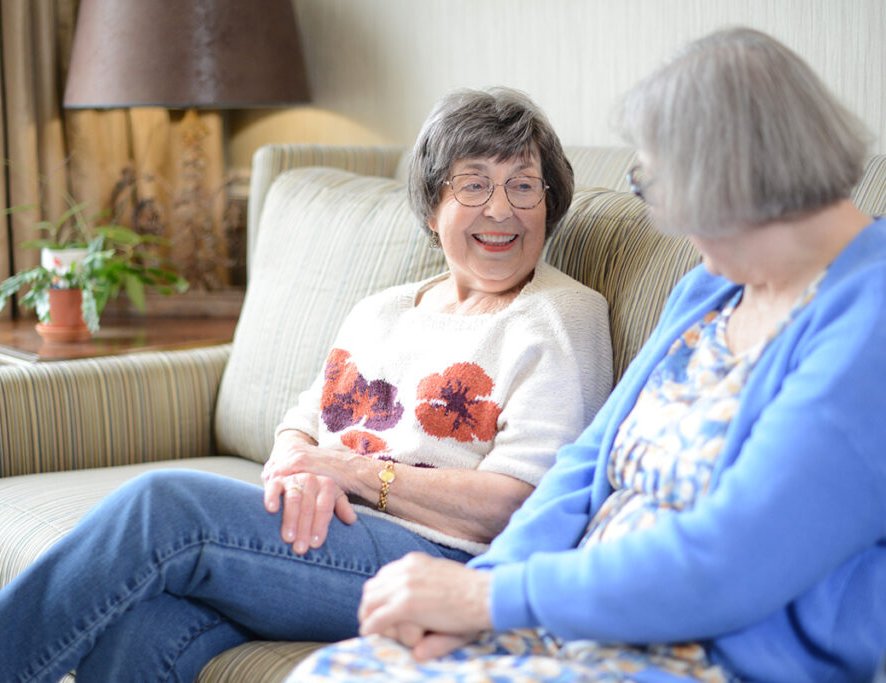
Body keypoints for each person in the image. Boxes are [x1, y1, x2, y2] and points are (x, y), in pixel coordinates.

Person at [0, 87, 613, 682]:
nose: (502, 209)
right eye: (474, 184)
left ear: (548, 204)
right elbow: (300, 422)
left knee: (164, 507)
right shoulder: (383, 308)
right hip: (329, 535)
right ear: (433, 202)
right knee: (141, 625)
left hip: (443, 560)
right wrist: (303, 470)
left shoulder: (559, 316)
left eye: (524, 186)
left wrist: (348, 470)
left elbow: (513, 505)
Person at [288, 27, 886, 683]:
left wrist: (488, 597)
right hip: (579, 625)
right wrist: (471, 599)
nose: (670, 224)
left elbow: (738, 556)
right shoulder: (712, 289)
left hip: (709, 653)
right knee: (338, 669)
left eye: (662, 187)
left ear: (739, 171)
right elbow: (579, 471)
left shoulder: (868, 316)